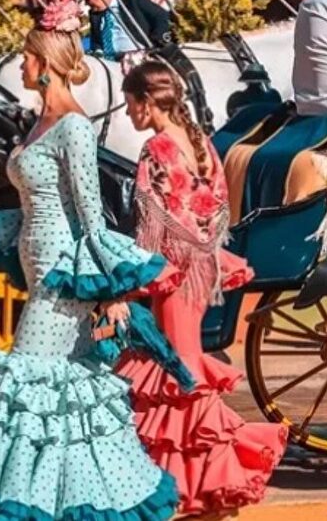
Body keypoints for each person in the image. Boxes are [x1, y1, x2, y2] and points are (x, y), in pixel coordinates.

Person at [0, 0, 179, 521]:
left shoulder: (73, 128)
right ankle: (62, 501)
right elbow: (35, 206)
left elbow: (89, 216)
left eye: (27, 57)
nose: (22, 66)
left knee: (23, 384)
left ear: (45, 62)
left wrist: (111, 291)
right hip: (38, 265)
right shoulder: (38, 125)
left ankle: (13, 503)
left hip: (61, 279)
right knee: (58, 394)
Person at [116, 61, 286, 515]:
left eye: (130, 104)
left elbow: (149, 222)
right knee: (176, 369)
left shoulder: (156, 149)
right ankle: (189, 481)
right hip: (202, 266)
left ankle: (213, 475)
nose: (129, 114)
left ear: (147, 102)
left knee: (179, 375)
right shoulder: (201, 144)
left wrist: (136, 276)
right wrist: (201, 248)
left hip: (173, 273)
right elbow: (218, 208)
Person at [76, 0, 173, 65]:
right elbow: (96, 42)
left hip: (138, 58)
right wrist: (98, 51)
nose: (88, 4)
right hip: (110, 62)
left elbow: (161, 16)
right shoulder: (95, 14)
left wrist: (155, 43)